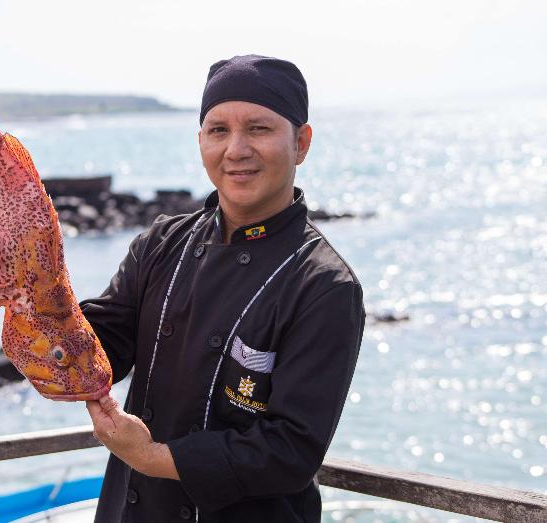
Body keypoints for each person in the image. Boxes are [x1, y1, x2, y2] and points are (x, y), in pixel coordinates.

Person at [81, 54, 366, 523]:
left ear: (302, 143)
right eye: (218, 130)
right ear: (200, 142)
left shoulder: (324, 285)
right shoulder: (160, 244)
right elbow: (95, 355)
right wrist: (19, 295)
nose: (236, 149)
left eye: (259, 129)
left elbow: (289, 450)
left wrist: (151, 457)